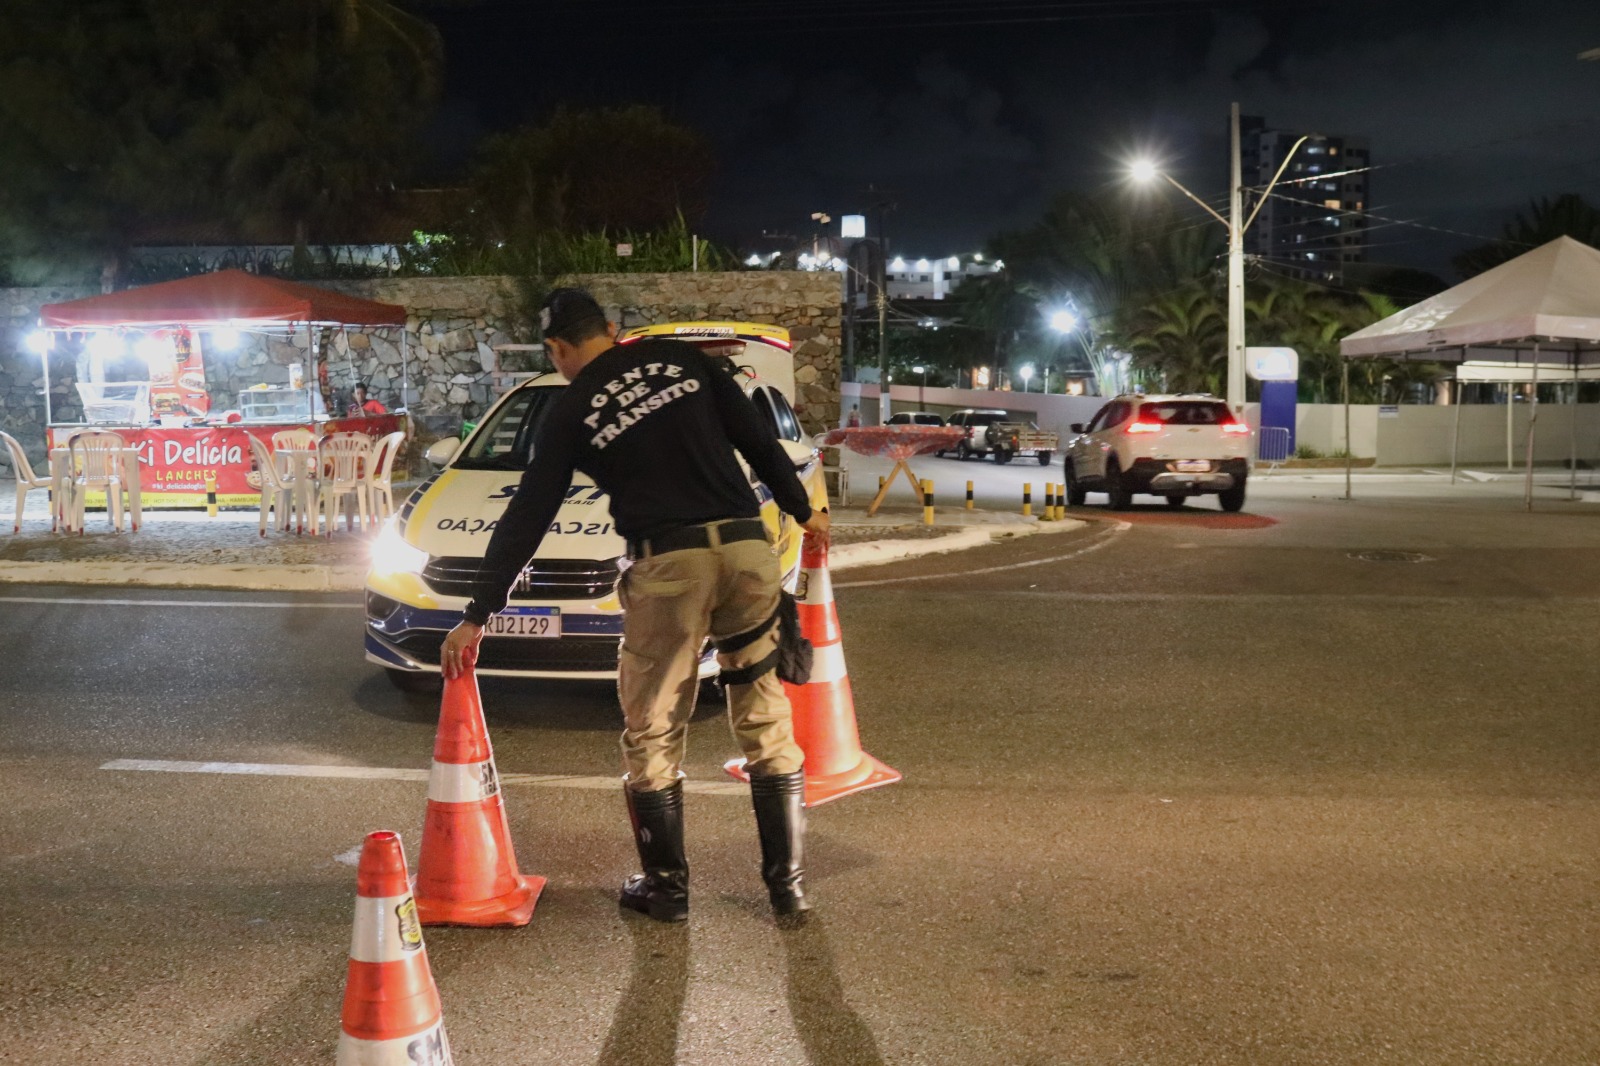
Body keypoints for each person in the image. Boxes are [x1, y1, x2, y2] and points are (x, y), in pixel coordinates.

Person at [439, 288, 830, 923]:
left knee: (652, 725)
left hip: (670, 568)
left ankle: (667, 890)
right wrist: (800, 508)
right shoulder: (684, 361)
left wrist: (478, 612)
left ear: (558, 349)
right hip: (745, 550)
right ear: (614, 330)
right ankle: (788, 890)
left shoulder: (570, 410)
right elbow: (757, 438)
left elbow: (530, 513)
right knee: (764, 717)